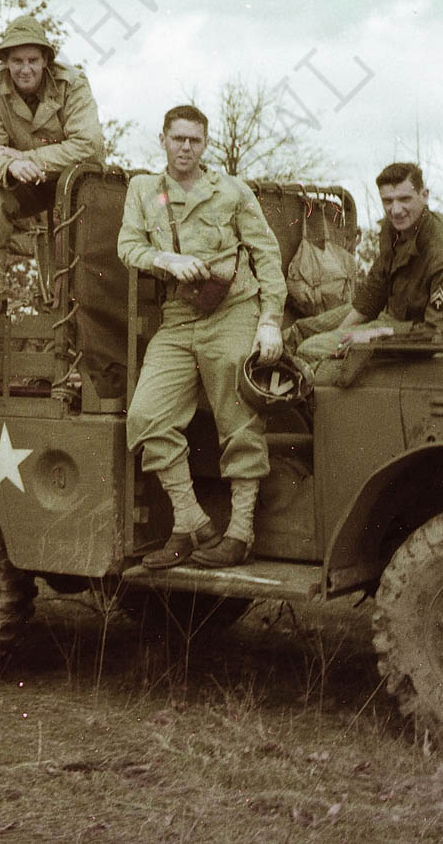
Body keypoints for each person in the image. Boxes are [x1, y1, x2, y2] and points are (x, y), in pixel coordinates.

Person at [118, 105, 286, 569]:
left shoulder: (231, 191)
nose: (186, 147)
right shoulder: (143, 191)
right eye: (178, 139)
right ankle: (192, 522)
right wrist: (167, 261)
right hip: (178, 316)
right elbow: (127, 246)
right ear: (163, 140)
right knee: (147, 414)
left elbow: (266, 254)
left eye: (194, 140)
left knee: (240, 414)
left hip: (233, 309)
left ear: (205, 144)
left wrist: (270, 319)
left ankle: (240, 531)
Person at [0, 14, 104, 322]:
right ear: (5, 62)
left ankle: (83, 303)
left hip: (75, 181)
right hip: (25, 182)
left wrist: (24, 158)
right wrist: (11, 165)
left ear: (46, 60)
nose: (25, 69)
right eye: (16, 61)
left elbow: (88, 147)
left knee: (88, 221)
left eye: (32, 60)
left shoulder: (72, 82)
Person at [288, 162, 443, 365]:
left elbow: (437, 335)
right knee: (300, 331)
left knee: (310, 349)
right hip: (389, 316)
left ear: (424, 195)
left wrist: (373, 336)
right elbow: (374, 290)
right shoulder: (395, 228)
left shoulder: (442, 254)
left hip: (409, 334)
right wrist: (341, 333)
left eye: (405, 199)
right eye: (388, 201)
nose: (395, 210)